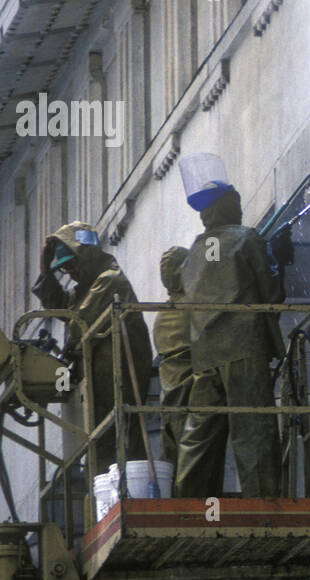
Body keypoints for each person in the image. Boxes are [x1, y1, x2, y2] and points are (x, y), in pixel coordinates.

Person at [176, 168, 285, 498]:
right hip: (243, 348)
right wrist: (277, 261)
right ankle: (264, 501)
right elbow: (271, 296)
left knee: (200, 433)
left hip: (205, 357)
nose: (239, 207)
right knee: (252, 428)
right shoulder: (245, 238)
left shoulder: (192, 254)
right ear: (228, 206)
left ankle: (189, 501)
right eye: (235, 202)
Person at [31, 222, 153, 515]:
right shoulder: (87, 287)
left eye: (71, 264)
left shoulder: (110, 279)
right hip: (101, 373)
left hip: (121, 367)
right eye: (65, 268)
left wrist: (70, 343)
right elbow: (59, 305)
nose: (70, 272)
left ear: (85, 253)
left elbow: (77, 321)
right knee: (101, 438)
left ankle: (129, 501)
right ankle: (106, 506)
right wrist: (45, 267)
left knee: (121, 432)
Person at [153, 246, 193, 475]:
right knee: (191, 446)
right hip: (190, 389)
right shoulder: (193, 306)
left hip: (170, 392)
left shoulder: (164, 312)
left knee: (173, 446)